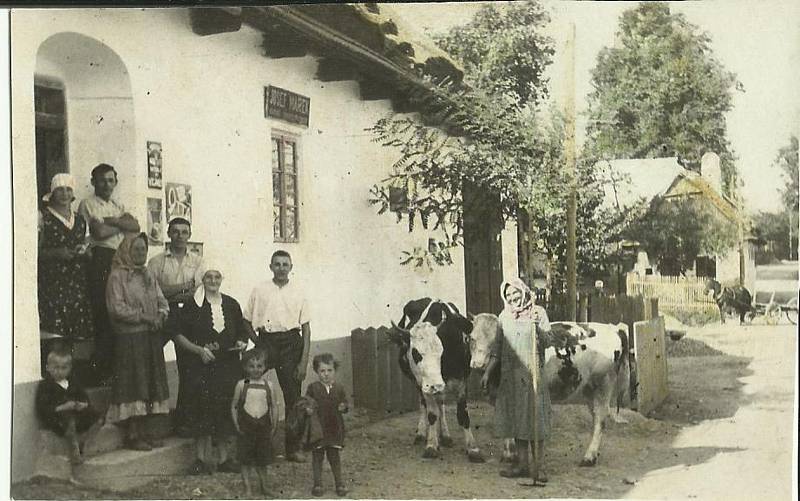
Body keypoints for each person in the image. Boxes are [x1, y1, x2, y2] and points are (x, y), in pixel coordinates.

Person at [174, 267, 247, 475]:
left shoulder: (232, 304)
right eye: (208, 277)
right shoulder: (191, 306)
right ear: (202, 280)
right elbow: (177, 334)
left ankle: (224, 459)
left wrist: (242, 342)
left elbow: (242, 331)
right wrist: (199, 351)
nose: (213, 280)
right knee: (201, 410)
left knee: (225, 409)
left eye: (217, 277)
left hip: (228, 366)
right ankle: (200, 459)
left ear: (222, 279)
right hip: (201, 367)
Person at [482, 278, 553, 484]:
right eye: (509, 296)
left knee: (535, 419)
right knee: (517, 421)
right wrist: (487, 372)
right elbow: (497, 349)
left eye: (516, 295)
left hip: (532, 376)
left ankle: (539, 468)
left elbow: (549, 341)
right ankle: (522, 465)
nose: (514, 299)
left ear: (523, 292)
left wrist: (537, 328)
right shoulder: (504, 317)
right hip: (510, 377)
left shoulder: (538, 313)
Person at [243, 250, 311, 462]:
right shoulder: (260, 289)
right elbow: (246, 320)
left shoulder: (299, 292)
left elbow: (306, 329)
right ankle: (250, 445)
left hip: (292, 344)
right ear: (270, 266)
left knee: (293, 397)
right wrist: (259, 343)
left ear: (291, 267)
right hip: (267, 342)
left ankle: (293, 448)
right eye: (277, 264)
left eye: (285, 264)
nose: (281, 268)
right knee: (247, 387)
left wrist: (303, 361)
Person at [104, 233, 170, 451]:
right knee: (134, 385)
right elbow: (117, 308)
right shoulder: (117, 276)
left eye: (143, 249)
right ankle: (133, 435)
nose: (141, 253)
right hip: (130, 338)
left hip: (150, 337)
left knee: (150, 383)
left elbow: (162, 301)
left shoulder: (148, 274)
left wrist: (160, 316)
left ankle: (147, 432)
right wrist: (144, 317)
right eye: (136, 250)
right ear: (126, 251)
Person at [78, 163, 140, 380]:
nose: (107, 184)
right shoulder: (88, 204)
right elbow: (100, 232)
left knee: (120, 310)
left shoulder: (117, 203)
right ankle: (101, 369)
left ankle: (117, 368)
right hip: (101, 260)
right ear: (94, 182)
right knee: (103, 312)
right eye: (102, 180)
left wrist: (115, 222)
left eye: (111, 180)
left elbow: (135, 226)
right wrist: (121, 224)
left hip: (121, 259)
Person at [146, 216, 205, 434]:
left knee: (188, 367)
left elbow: (198, 291)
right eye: (176, 231)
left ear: (189, 236)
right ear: (169, 234)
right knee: (151, 358)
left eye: (184, 232)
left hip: (188, 316)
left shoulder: (198, 261)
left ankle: (184, 422)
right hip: (164, 314)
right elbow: (153, 291)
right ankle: (150, 420)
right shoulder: (156, 262)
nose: (180, 236)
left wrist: (169, 289)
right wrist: (182, 287)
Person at [37, 173, 95, 342]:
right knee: (55, 339)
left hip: (77, 286)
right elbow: (32, 253)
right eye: (60, 190)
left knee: (78, 341)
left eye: (68, 189)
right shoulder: (42, 217)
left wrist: (83, 251)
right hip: (52, 285)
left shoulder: (80, 219)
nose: (64, 194)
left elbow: (88, 249)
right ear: (52, 193)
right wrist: (56, 253)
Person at [35, 344, 102, 464]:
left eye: (63, 368)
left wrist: (83, 405)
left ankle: (83, 442)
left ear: (69, 368)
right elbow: (42, 408)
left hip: (76, 415)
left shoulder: (72, 382)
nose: (59, 371)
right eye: (55, 368)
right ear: (47, 367)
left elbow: (84, 397)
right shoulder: (46, 385)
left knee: (98, 417)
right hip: (57, 418)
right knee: (69, 420)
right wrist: (63, 407)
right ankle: (74, 453)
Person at [231, 349, 277, 497]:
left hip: (263, 426)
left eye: (259, 366)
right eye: (252, 366)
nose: (256, 369)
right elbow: (234, 405)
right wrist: (236, 423)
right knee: (245, 459)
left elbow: (274, 406)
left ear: (265, 367)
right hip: (246, 426)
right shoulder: (241, 384)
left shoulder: (268, 385)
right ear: (245, 367)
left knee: (263, 460)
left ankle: (265, 486)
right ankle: (247, 488)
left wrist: (274, 423)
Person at [305, 353, 349, 497]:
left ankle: (339, 483)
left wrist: (343, 406)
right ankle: (317, 484)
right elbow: (307, 403)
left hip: (334, 428)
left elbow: (344, 403)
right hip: (319, 429)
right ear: (317, 372)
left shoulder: (339, 388)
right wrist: (308, 410)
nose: (326, 374)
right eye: (322, 371)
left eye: (329, 370)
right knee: (317, 457)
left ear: (334, 370)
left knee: (334, 456)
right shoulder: (313, 388)